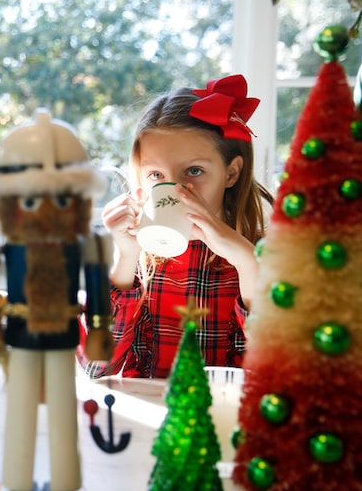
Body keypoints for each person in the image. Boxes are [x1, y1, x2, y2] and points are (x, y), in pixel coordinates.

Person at [87, 74, 273, 378]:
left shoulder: (265, 252)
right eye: (157, 176)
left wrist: (246, 262)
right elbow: (97, 367)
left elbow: (277, 371)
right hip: (148, 418)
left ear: (232, 173)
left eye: (194, 170)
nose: (176, 188)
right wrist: (125, 257)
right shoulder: (138, 260)